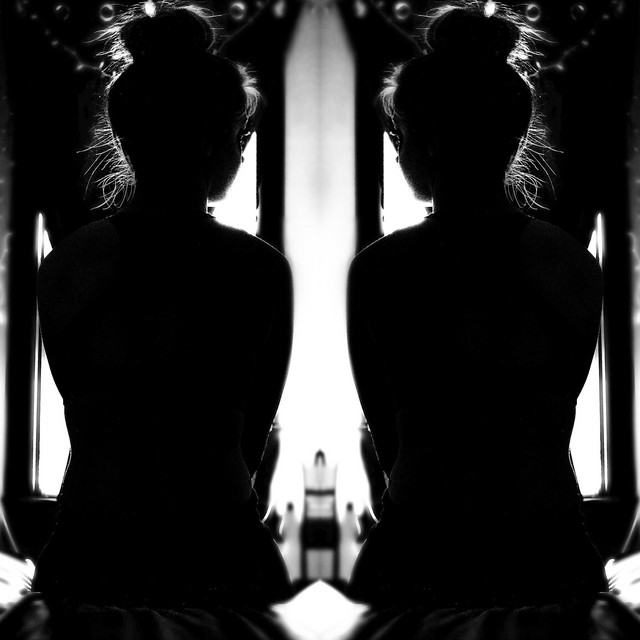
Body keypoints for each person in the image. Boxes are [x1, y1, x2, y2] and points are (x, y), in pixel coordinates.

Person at [4, 2, 294, 638]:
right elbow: (247, 440)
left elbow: (83, 414)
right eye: (240, 137)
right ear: (214, 139)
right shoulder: (259, 269)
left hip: (91, 554)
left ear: (126, 135)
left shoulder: (70, 263)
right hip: (223, 556)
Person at [346, 1, 610, 637]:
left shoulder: (380, 269)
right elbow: (556, 411)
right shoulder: (570, 263)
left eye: (399, 136)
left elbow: (391, 438)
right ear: (514, 138)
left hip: (416, 553)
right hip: (548, 551)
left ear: (428, 140)